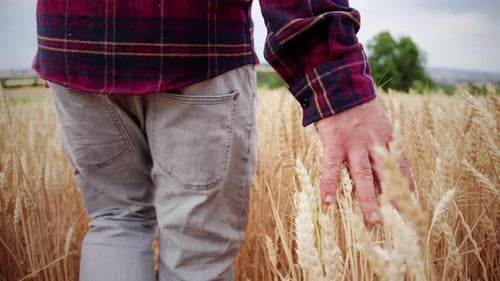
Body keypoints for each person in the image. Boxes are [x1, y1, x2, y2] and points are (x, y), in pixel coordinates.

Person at [33, 0, 414, 280]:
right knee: (197, 255)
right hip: (196, 42)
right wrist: (335, 76)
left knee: (116, 221)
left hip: (71, 41)